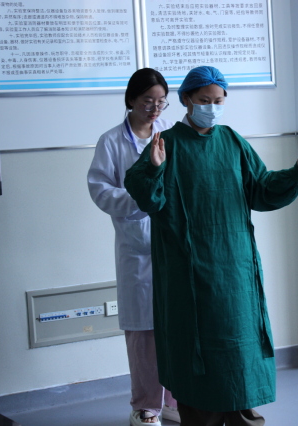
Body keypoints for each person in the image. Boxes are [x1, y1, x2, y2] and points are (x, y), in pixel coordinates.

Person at [124, 66, 298, 425]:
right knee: (198, 353)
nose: (212, 107)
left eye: (218, 101)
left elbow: (261, 190)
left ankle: (243, 415)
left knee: (239, 348)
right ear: (186, 100)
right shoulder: (167, 143)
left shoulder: (232, 141)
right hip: (188, 272)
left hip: (235, 268)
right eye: (204, 100)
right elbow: (146, 197)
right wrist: (153, 168)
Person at [87, 68, 181, 426]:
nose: (155, 108)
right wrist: (140, 200)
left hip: (174, 242)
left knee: (177, 326)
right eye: (147, 101)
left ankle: (175, 400)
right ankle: (145, 406)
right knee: (143, 332)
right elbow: (100, 190)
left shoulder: (171, 134)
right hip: (137, 246)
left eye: (161, 102)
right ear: (131, 100)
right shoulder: (111, 141)